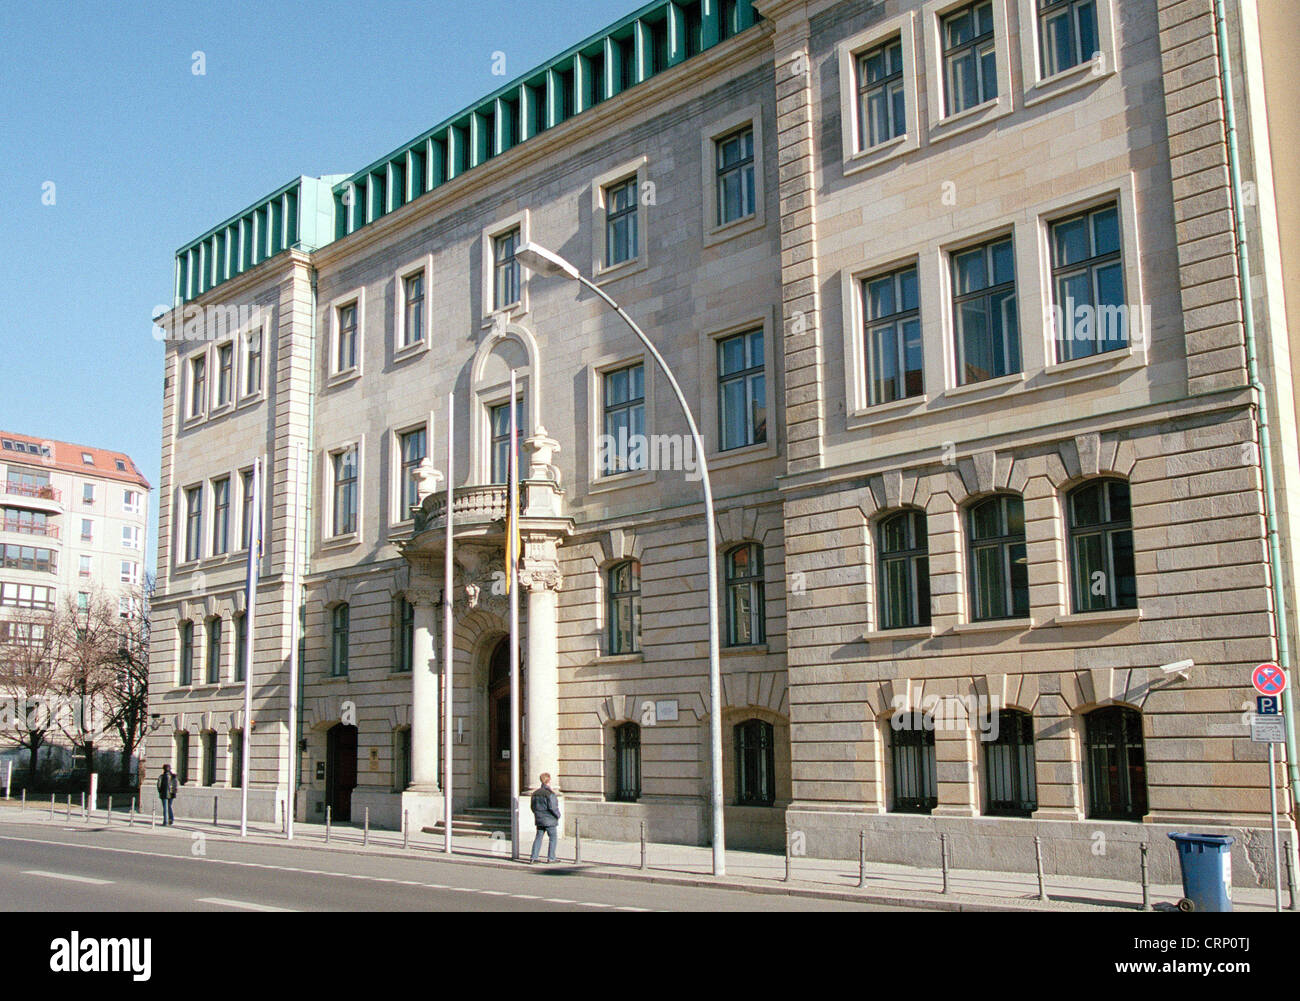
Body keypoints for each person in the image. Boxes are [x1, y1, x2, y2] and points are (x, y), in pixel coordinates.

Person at [529, 773, 560, 864]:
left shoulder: (535, 793)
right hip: (550, 820)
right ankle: (551, 858)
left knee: (538, 838)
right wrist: (558, 815)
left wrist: (538, 814)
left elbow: (532, 807)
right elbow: (553, 807)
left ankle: (534, 857)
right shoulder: (550, 793)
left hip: (539, 819)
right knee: (553, 838)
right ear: (549, 780)